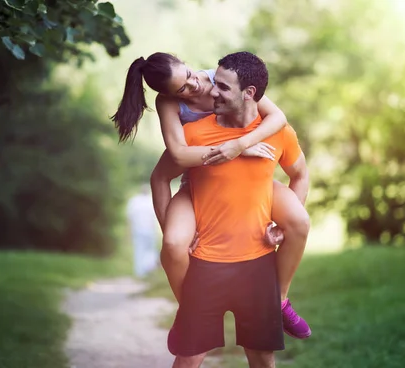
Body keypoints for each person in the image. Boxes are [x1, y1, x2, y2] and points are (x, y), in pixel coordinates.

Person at [112, 53, 311, 339]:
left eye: (190, 75)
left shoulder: (221, 78)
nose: (196, 86)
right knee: (173, 243)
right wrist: (230, 150)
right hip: (198, 175)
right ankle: (191, 313)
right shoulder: (169, 103)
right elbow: (177, 155)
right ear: (168, 95)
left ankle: (279, 300)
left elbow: (278, 117)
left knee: (299, 222)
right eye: (183, 88)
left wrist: (241, 144)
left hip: (247, 175)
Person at [168, 51, 309, 367]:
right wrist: (175, 229)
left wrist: (282, 226)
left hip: (257, 265)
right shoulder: (193, 134)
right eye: (214, 82)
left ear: (250, 94)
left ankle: (281, 300)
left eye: (223, 87)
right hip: (205, 265)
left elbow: (300, 174)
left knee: (261, 357)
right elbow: (161, 177)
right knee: (189, 358)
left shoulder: (278, 133)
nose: (212, 92)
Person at [126, 184, 160, 277]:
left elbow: (130, 218)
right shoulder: (143, 201)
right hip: (142, 230)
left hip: (144, 230)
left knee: (143, 251)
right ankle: (142, 272)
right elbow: (130, 219)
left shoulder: (135, 201)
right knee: (145, 251)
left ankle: (144, 272)